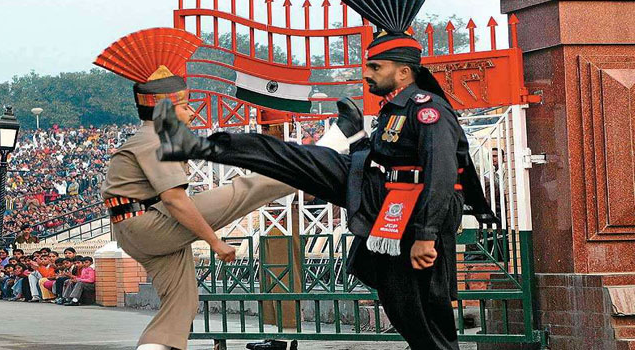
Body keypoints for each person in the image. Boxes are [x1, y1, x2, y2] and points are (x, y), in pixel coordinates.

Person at [151, 1, 496, 348]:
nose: (367, 74)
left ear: (403, 72)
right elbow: (386, 157)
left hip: (418, 209)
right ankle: (197, 146)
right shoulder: (395, 109)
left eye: (376, 67)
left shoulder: (428, 111)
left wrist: (426, 234)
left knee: (416, 309)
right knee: (294, 156)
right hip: (385, 193)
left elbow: (441, 174)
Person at [93, 27, 297, 350]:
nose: (191, 112)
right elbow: (175, 200)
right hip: (149, 223)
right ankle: (309, 168)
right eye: (185, 105)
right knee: (241, 191)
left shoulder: (149, 137)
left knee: (181, 304)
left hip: (133, 229)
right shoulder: (159, 137)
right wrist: (214, 242)